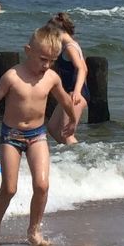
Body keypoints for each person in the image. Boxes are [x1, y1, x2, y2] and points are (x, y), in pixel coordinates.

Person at [0, 24, 73, 245]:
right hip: (11, 136)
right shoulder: (13, 76)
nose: (46, 65)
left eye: (51, 61)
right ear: (28, 51)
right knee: (9, 188)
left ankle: (34, 231)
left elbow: (65, 100)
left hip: (38, 135)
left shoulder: (51, 78)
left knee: (42, 185)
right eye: (42, 59)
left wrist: (73, 120)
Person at [44, 12, 89, 147]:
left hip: (75, 94)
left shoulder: (70, 47)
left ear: (57, 32)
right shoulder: (70, 45)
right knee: (52, 128)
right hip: (69, 94)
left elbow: (81, 69)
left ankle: (80, 159)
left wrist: (77, 92)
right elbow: (85, 68)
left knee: (67, 134)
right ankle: (70, 155)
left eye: (50, 33)